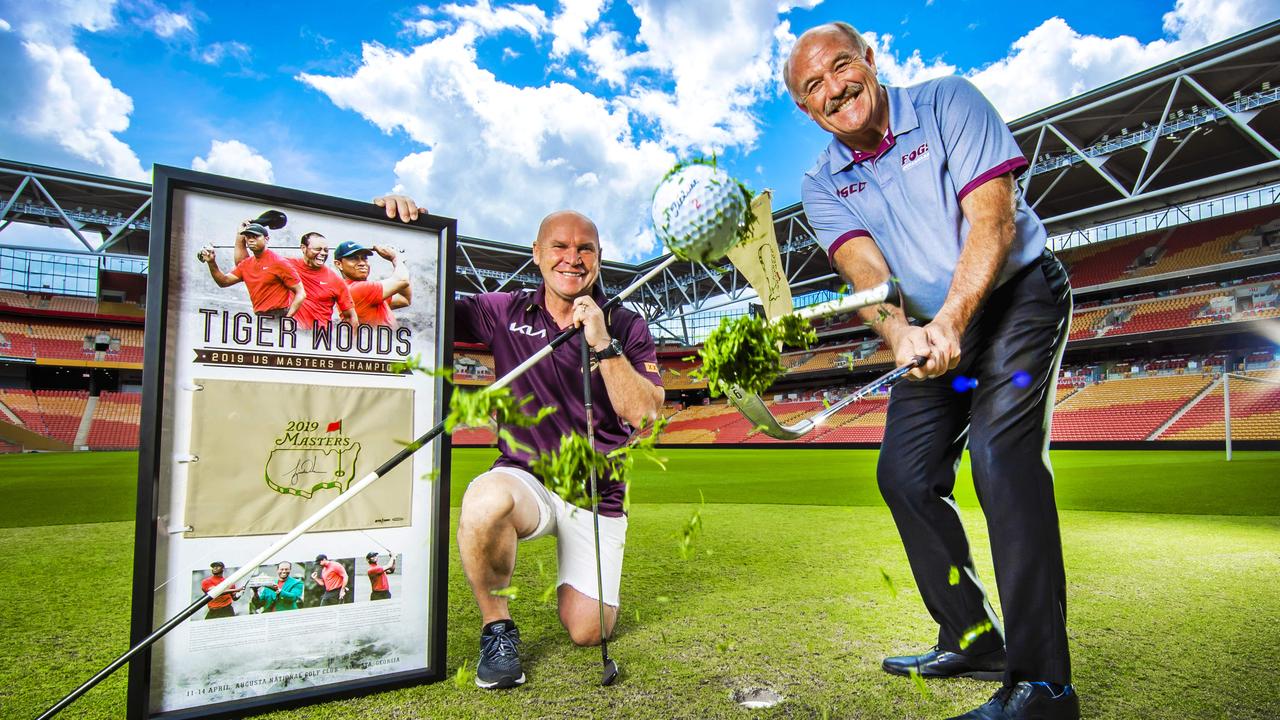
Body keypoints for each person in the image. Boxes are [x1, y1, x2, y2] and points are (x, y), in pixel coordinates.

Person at [786, 22, 1077, 720]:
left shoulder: (948, 102)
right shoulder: (821, 183)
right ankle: (973, 637)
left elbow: (993, 223)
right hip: (930, 330)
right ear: (804, 109)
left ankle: (1044, 687)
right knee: (905, 477)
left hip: (1016, 298)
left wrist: (949, 319)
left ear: (871, 61)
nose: (834, 88)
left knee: (1000, 459)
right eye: (812, 87)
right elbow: (866, 273)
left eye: (841, 66)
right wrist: (899, 333)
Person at [377, 197, 664, 690]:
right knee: (484, 500)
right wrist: (410, 236)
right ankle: (497, 628)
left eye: (585, 248)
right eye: (559, 246)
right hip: (525, 478)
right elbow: (425, 301)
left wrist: (602, 342)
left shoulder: (626, 324)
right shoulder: (501, 310)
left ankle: (579, 588)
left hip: (597, 491)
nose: (572, 257)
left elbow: (645, 413)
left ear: (599, 257)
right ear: (536, 253)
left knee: (589, 631)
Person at [232, 230, 357, 330]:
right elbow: (244, 266)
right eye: (318, 249)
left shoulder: (335, 280)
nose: (323, 253)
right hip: (289, 335)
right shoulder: (285, 265)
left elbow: (351, 317)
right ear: (303, 248)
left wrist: (352, 350)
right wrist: (240, 237)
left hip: (318, 340)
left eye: (326, 250)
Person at [199, 222, 306, 318]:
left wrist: (288, 318)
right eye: (248, 237)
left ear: (266, 239)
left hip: (279, 315)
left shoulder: (279, 262)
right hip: (260, 317)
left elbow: (301, 293)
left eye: (255, 236)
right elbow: (224, 282)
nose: (251, 239)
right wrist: (211, 262)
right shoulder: (246, 264)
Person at [331, 241, 411, 326]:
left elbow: (404, 299)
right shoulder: (357, 289)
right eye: (353, 258)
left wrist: (400, 262)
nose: (362, 263)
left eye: (364, 258)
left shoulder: (371, 293)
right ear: (339, 264)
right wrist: (396, 257)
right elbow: (403, 280)